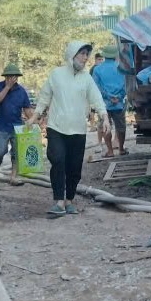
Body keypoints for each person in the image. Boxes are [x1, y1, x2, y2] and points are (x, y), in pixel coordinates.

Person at [26, 41, 108, 217]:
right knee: (57, 160)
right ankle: (58, 201)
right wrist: (35, 116)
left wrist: (105, 116)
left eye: (87, 54)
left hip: (78, 129)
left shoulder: (87, 78)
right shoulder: (56, 74)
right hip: (56, 127)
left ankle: (69, 200)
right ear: (72, 55)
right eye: (82, 54)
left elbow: (96, 98)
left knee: (74, 167)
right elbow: (45, 96)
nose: (85, 58)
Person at [0, 62, 34, 184]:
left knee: (17, 153)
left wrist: (34, 120)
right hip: (1, 127)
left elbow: (27, 109)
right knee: (0, 152)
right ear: (5, 77)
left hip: (17, 127)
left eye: (14, 76)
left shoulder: (22, 91)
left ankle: (13, 177)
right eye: (9, 76)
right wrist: (7, 87)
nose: (12, 79)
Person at [91, 45, 127, 157]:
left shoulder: (97, 69)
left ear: (104, 55)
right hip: (119, 103)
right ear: (116, 55)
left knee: (105, 126)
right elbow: (126, 86)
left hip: (104, 104)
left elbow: (96, 87)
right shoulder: (121, 68)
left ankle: (110, 151)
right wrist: (119, 97)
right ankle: (121, 149)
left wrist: (108, 96)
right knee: (121, 127)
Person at [91, 52, 105, 150]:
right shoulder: (93, 69)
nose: (100, 61)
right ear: (95, 60)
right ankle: (99, 143)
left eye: (102, 59)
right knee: (100, 122)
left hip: (104, 97)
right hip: (97, 97)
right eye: (99, 59)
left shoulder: (103, 68)